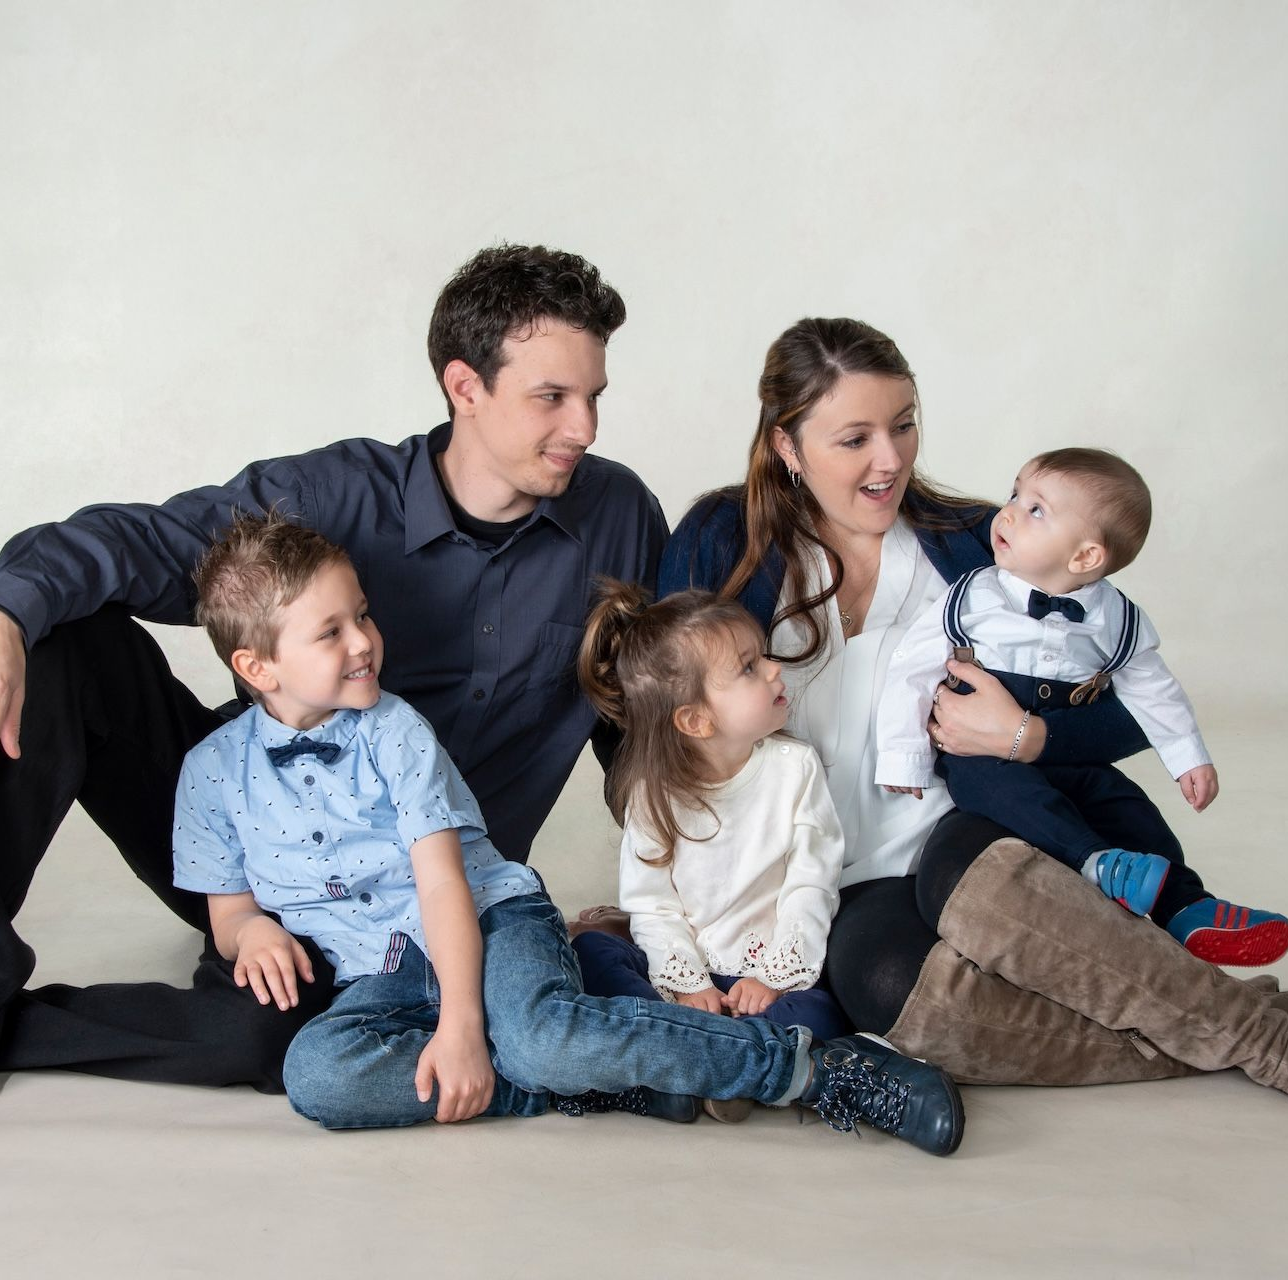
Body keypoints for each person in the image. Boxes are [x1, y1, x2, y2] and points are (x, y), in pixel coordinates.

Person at [0, 244, 669, 1089]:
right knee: (56, 634)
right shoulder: (334, 497)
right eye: (553, 398)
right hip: (254, 846)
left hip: (423, 900)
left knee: (266, 1040)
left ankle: (29, 1032)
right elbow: (138, 543)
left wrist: (682, 920)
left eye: (593, 396)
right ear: (465, 386)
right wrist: (6, 614)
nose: (585, 429)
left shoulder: (620, 517)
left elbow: (647, 727)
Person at [175, 513, 965, 1154]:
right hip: (381, 972)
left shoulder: (394, 731)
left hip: (487, 922)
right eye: (331, 632)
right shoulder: (212, 773)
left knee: (540, 1038)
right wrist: (250, 933)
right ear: (257, 667)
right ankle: (613, 1079)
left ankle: (812, 1070)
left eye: (362, 615)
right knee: (317, 1075)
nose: (363, 641)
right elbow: (229, 910)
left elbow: (443, 884)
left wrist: (462, 1027)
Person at [656, 316, 1288, 1092]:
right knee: (881, 983)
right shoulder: (722, 542)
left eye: (904, 425)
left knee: (975, 883)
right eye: (855, 439)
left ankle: (1262, 1037)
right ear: (788, 445)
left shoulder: (982, 543)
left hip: (967, 828)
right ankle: (1221, 1028)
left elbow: (1131, 701)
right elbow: (662, 721)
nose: (891, 460)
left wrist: (1027, 736)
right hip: (822, 878)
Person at [874, 446, 1287, 963]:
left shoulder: (1115, 616)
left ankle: (1187, 905)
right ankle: (1095, 862)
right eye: (1014, 495)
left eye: (1035, 509)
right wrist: (904, 757)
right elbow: (911, 671)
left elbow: (1153, 690)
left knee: (1126, 804)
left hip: (1069, 754)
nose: (1008, 513)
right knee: (1009, 794)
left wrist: (1188, 758)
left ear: (1086, 558)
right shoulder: (971, 596)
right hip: (980, 757)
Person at [570, 582, 851, 1100]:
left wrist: (772, 980)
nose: (774, 669)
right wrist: (690, 985)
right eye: (749, 668)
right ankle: (736, 1062)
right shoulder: (652, 794)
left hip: (763, 987)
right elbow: (652, 906)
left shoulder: (796, 769)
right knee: (589, 953)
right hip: (687, 983)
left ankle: (689, 1062)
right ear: (696, 720)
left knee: (822, 1014)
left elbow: (812, 884)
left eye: (762, 657)